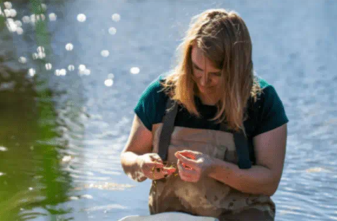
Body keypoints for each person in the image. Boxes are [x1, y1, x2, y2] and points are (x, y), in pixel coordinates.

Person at [120, 9, 288, 221]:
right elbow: (128, 157)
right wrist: (141, 165)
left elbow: (269, 182)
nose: (203, 81)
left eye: (215, 74)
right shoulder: (160, 94)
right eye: (197, 68)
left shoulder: (263, 101)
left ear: (237, 70)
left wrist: (214, 169)